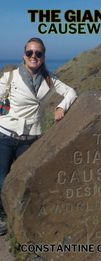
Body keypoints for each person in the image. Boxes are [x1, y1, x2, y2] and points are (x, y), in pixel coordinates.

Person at [0, 37, 77, 235]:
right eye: (30, 53)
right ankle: (2, 218)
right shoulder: (10, 77)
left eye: (38, 53)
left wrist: (61, 106)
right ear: (23, 56)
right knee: (2, 178)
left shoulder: (50, 79)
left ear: (43, 57)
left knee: (26, 179)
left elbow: (71, 92)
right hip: (6, 135)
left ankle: (23, 218)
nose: (33, 56)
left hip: (31, 137)